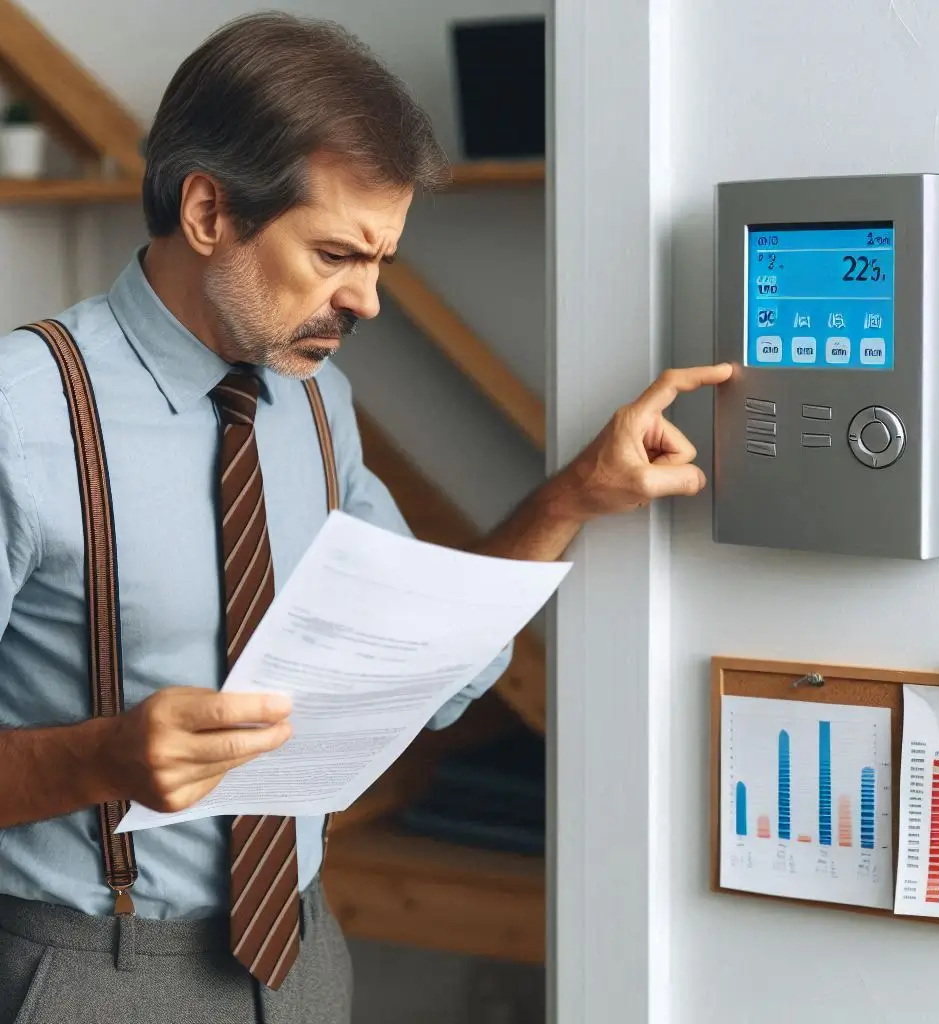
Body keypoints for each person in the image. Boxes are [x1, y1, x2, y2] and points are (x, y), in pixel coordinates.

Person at [0, 11, 732, 1024]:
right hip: (86, 971)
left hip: (301, 952)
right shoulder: (19, 414)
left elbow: (428, 662)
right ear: (208, 210)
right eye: (338, 254)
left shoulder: (311, 399)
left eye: (380, 261)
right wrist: (100, 759)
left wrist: (571, 496)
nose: (370, 301)